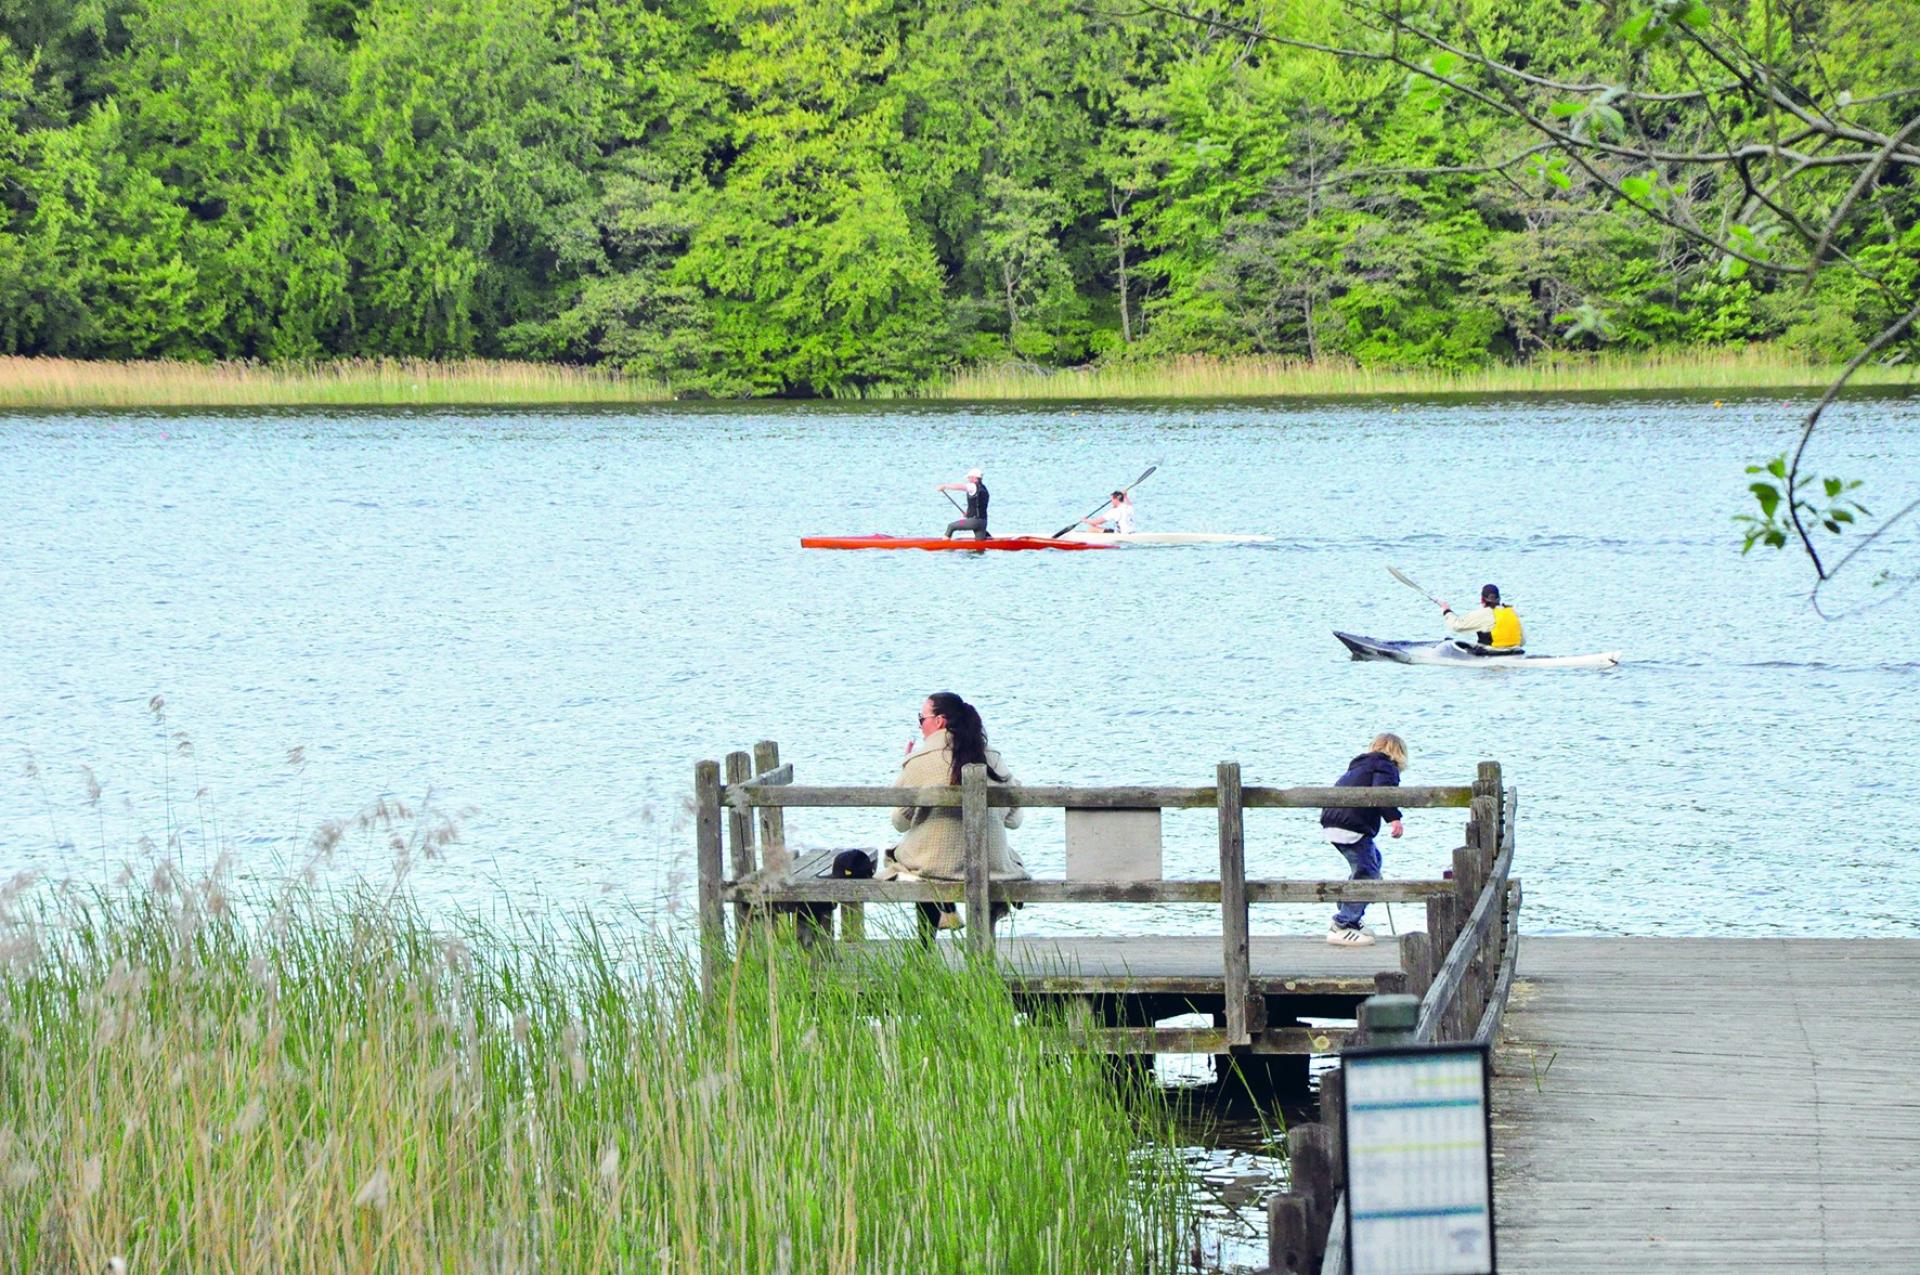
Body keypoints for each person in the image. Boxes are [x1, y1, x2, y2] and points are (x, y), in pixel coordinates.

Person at [885, 691, 1026, 937]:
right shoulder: (991, 757)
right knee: (1006, 855)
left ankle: (926, 946)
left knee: (909, 858)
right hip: (991, 867)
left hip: (937, 868)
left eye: (922, 718)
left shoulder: (920, 760)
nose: (921, 726)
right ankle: (983, 938)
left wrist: (906, 763)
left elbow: (899, 822)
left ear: (939, 721)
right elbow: (1014, 820)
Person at [1318, 733, 1408, 947]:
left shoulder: (1359, 766)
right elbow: (1382, 794)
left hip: (1333, 821)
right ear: (1399, 753)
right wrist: (1394, 819)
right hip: (1352, 826)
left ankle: (1350, 914)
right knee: (1368, 872)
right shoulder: (1386, 767)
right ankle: (1343, 923)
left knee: (1371, 862)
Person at [1437, 584, 1524, 651]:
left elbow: (1457, 626)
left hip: (1493, 654)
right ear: (1499, 599)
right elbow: (1523, 641)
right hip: (1515, 651)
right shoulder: (1512, 611)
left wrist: (1447, 610)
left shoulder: (1485, 613)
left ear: (1482, 600)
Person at [937, 467, 989, 539]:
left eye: (969, 478)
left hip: (973, 522)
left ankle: (944, 545)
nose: (968, 480)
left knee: (951, 526)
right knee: (980, 545)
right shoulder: (984, 489)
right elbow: (978, 505)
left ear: (975, 478)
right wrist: (968, 513)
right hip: (983, 522)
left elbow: (960, 486)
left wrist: (945, 486)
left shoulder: (973, 486)